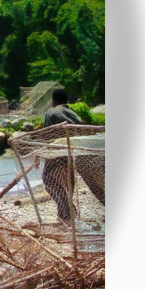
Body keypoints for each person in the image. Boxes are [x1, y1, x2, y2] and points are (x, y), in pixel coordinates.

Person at [40, 88, 105, 221]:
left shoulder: (52, 112)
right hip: (80, 153)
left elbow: (47, 135)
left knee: (49, 180)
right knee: (91, 184)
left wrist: (42, 153)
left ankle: (67, 211)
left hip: (60, 153)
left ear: (54, 101)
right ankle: (67, 212)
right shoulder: (73, 113)